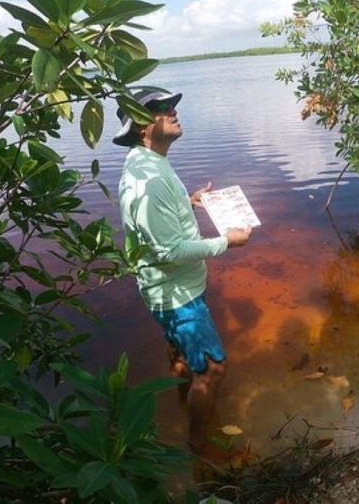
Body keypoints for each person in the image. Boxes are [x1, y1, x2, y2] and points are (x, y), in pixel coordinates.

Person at [114, 86, 252, 462]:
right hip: (176, 293)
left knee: (181, 354)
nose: (172, 110)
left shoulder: (148, 162)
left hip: (167, 287)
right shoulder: (149, 179)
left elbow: (158, 225)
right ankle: (198, 445)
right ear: (141, 125)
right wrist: (226, 241)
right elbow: (171, 252)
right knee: (212, 369)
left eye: (171, 104)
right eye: (160, 108)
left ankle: (182, 396)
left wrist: (186, 202)